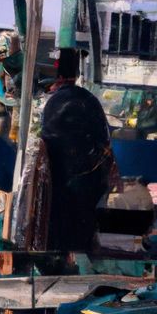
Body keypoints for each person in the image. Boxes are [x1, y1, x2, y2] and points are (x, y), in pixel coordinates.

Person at [41, 48, 115, 253]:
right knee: (84, 224)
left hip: (60, 177)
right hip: (87, 178)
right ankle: (81, 255)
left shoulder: (52, 103)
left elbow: (45, 142)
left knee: (60, 224)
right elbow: (104, 141)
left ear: (59, 76)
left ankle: (62, 257)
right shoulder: (88, 99)